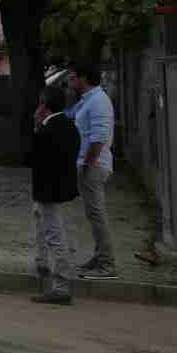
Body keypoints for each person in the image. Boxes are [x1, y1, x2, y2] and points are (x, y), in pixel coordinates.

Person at [31, 83, 82, 305]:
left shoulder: (47, 129)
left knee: (54, 236)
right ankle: (43, 264)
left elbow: (31, 157)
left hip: (48, 191)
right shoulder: (70, 126)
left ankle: (61, 287)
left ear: (44, 105)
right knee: (55, 230)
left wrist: (36, 126)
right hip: (63, 189)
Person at [69, 62, 118, 279]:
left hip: (94, 166)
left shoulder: (98, 101)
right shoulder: (88, 100)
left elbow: (98, 139)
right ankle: (99, 258)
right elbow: (71, 116)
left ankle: (107, 265)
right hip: (89, 164)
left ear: (84, 78)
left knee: (97, 215)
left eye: (73, 77)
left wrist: (87, 165)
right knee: (93, 215)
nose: (70, 81)